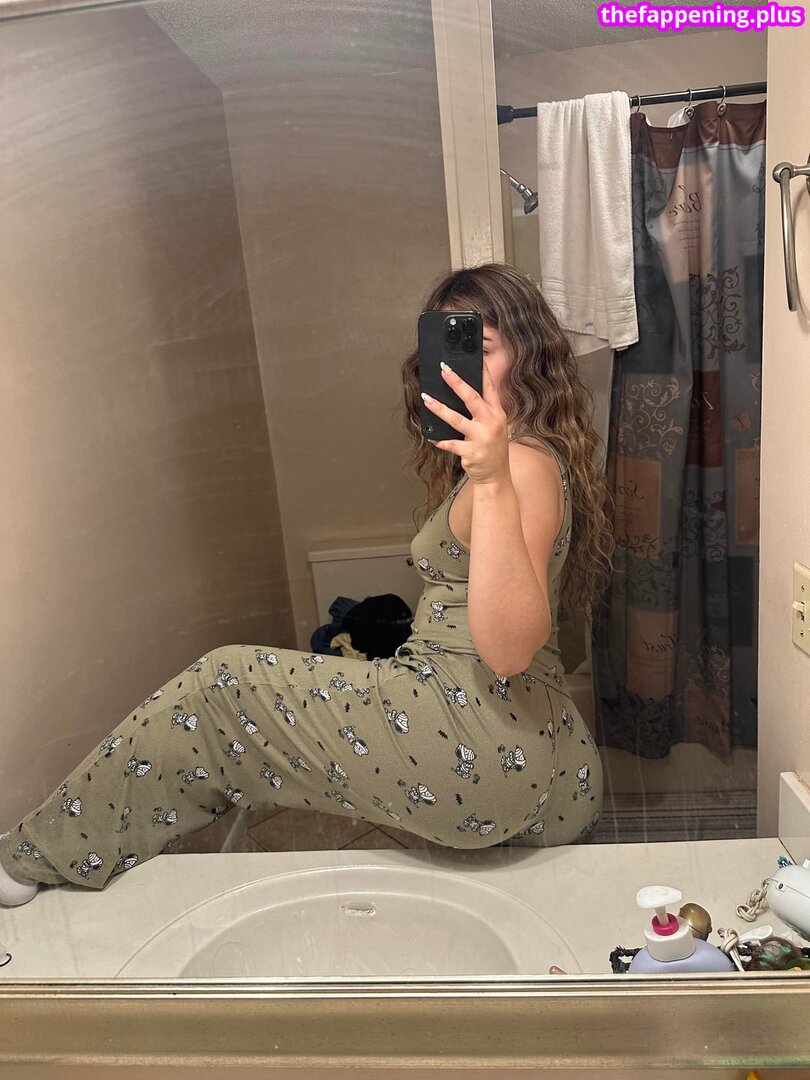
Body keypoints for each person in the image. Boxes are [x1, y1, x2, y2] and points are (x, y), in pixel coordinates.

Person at [0, 262, 614, 907]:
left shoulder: (517, 465)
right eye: (449, 349)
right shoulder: (536, 455)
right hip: (543, 753)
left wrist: (489, 479)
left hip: (477, 739)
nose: (460, 370)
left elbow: (510, 648)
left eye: (481, 348)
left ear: (529, 357)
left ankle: (28, 859)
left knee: (222, 686)